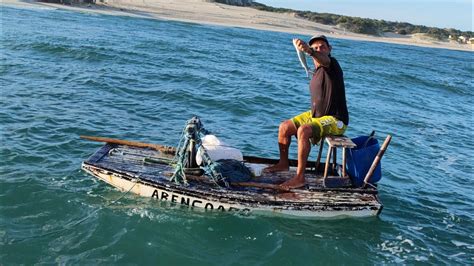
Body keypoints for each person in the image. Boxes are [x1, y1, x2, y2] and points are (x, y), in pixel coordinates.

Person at [265, 35, 349, 189]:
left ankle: (299, 177)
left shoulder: (333, 64)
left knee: (303, 130)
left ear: (330, 49)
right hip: (316, 115)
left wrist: (310, 51)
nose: (319, 49)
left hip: (336, 120)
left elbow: (325, 60)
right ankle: (283, 164)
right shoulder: (316, 72)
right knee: (284, 127)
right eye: (315, 47)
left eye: (322, 47)